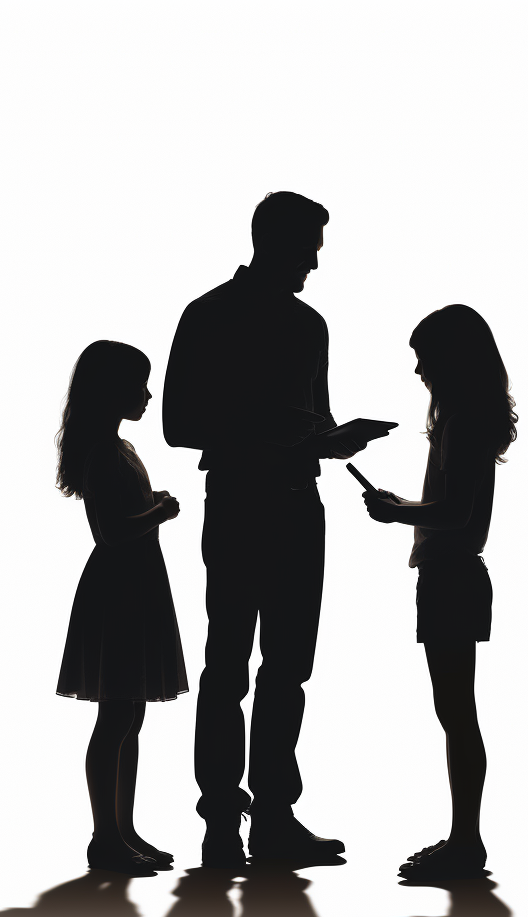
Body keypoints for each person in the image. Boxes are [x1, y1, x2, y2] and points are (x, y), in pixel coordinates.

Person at [163, 191, 377, 868]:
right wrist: (276, 428)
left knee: (287, 670)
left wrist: (334, 441)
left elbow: (315, 423)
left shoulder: (311, 327)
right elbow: (176, 424)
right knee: (229, 668)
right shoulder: (207, 316)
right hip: (239, 503)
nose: (315, 262)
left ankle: (272, 820)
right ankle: (224, 823)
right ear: (272, 241)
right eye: (308, 246)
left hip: (295, 507)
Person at [362, 305, 517, 879]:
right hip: (453, 576)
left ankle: (465, 842)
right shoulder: (469, 419)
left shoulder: (463, 422)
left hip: (451, 577)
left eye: (425, 356)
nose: (419, 369)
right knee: (456, 713)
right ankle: (463, 838)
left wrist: (397, 510)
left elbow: (456, 512)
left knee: (456, 714)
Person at [56, 340, 187, 873]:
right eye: (139, 384)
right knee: (116, 715)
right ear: (112, 391)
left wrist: (153, 511)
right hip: (120, 588)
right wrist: (160, 512)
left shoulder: (120, 449)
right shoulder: (103, 455)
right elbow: (110, 532)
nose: (148, 394)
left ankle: (123, 829)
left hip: (135, 586)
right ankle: (104, 836)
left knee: (129, 714)